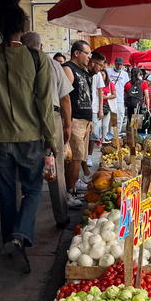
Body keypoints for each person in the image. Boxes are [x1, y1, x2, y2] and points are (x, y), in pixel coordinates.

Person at [0, 0, 56, 273]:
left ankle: (9, 240)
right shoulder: (37, 58)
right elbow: (45, 103)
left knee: (7, 192)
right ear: (22, 28)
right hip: (31, 138)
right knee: (32, 190)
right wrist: (52, 140)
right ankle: (20, 236)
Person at [20, 31, 73, 230]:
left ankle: (24, 221)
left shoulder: (19, 65)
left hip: (27, 120)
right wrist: (67, 125)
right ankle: (61, 216)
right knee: (56, 169)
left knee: (26, 168)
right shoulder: (53, 65)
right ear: (41, 46)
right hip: (53, 117)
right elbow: (65, 98)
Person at [61, 40, 94, 207]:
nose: (89, 56)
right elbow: (65, 97)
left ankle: (72, 187)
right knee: (75, 158)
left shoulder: (83, 71)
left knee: (78, 157)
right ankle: (69, 192)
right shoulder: (68, 68)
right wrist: (67, 123)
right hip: (74, 121)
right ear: (77, 53)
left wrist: (91, 121)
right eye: (87, 53)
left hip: (85, 122)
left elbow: (88, 96)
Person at [86, 51, 107, 168]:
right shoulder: (84, 72)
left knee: (93, 135)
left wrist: (100, 109)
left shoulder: (98, 75)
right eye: (100, 65)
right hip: (84, 109)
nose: (102, 68)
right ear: (93, 62)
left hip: (94, 108)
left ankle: (89, 155)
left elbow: (100, 92)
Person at [105, 56, 130, 135]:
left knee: (120, 118)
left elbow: (127, 87)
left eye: (121, 65)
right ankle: (108, 135)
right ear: (114, 64)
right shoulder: (108, 71)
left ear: (123, 65)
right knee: (110, 119)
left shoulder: (125, 74)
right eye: (118, 64)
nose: (119, 66)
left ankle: (116, 135)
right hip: (109, 98)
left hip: (120, 99)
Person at [99, 68, 116, 142]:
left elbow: (114, 95)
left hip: (107, 106)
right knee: (98, 125)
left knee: (105, 125)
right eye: (99, 75)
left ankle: (103, 140)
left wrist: (106, 97)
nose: (101, 76)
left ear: (106, 75)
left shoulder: (110, 84)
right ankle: (98, 139)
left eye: (102, 75)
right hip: (97, 106)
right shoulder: (96, 83)